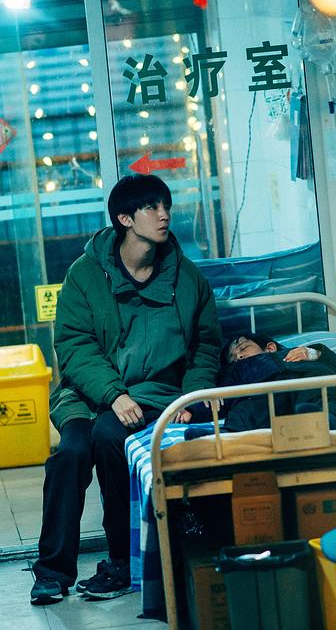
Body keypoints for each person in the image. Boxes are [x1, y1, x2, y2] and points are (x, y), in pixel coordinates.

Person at [30, 174, 221, 606]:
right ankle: (52, 571)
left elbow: (205, 346)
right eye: (152, 207)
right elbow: (74, 345)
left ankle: (120, 562)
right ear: (124, 219)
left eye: (165, 205)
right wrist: (113, 394)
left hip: (153, 393)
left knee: (109, 437)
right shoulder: (85, 274)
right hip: (88, 392)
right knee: (71, 453)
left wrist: (192, 396)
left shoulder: (188, 280)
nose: (164, 214)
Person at [182, 331, 336, 434]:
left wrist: (315, 353)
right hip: (261, 391)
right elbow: (221, 397)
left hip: (307, 377)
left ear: (270, 347)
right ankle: (226, 437)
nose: (239, 356)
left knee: (324, 392)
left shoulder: (300, 353)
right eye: (233, 358)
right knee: (246, 410)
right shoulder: (237, 371)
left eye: (243, 348)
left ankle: (324, 420)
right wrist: (193, 411)